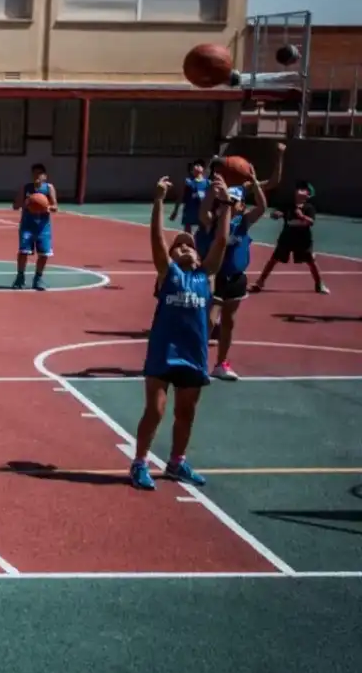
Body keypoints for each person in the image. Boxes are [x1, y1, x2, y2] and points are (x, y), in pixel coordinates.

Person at [129, 177, 232, 491]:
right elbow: (158, 241)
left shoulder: (205, 275)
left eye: (190, 244)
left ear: (199, 255)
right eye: (179, 246)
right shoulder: (168, 274)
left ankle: (176, 462)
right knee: (156, 409)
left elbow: (221, 242)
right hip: (164, 350)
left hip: (193, 353)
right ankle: (139, 463)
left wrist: (226, 204)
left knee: (186, 412)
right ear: (172, 257)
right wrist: (159, 200)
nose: (185, 247)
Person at [194, 169, 268, 382]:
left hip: (236, 277)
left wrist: (254, 182)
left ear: (241, 205)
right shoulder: (212, 222)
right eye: (225, 200)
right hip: (214, 276)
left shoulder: (243, 223)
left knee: (229, 322)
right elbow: (203, 211)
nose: (228, 203)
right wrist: (212, 190)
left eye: (233, 200)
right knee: (209, 320)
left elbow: (262, 208)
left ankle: (221, 363)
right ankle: (198, 361)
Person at [253, 181, 328, 295]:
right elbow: (277, 213)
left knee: (311, 261)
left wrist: (302, 216)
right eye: (298, 189)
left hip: (303, 240)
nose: (299, 191)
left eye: (303, 189)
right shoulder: (288, 205)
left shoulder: (309, 208)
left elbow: (311, 222)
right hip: (287, 238)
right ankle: (260, 282)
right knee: (273, 260)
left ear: (308, 195)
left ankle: (319, 284)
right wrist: (276, 215)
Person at [12, 163, 57, 290]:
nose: (37, 176)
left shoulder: (49, 188)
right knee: (23, 252)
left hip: (43, 227)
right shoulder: (25, 188)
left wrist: (46, 207)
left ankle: (38, 278)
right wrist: (26, 202)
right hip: (27, 226)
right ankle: (20, 277)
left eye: (39, 173)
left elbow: (55, 207)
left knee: (44, 254)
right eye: (34, 173)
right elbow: (15, 206)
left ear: (45, 176)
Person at [170, 160, 210, 237]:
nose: (198, 166)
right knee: (187, 232)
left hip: (202, 210)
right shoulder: (188, 182)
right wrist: (175, 211)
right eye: (195, 165)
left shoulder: (208, 183)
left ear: (203, 170)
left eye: (200, 165)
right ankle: (188, 244)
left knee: (204, 230)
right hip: (190, 210)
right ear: (192, 170)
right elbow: (180, 197)